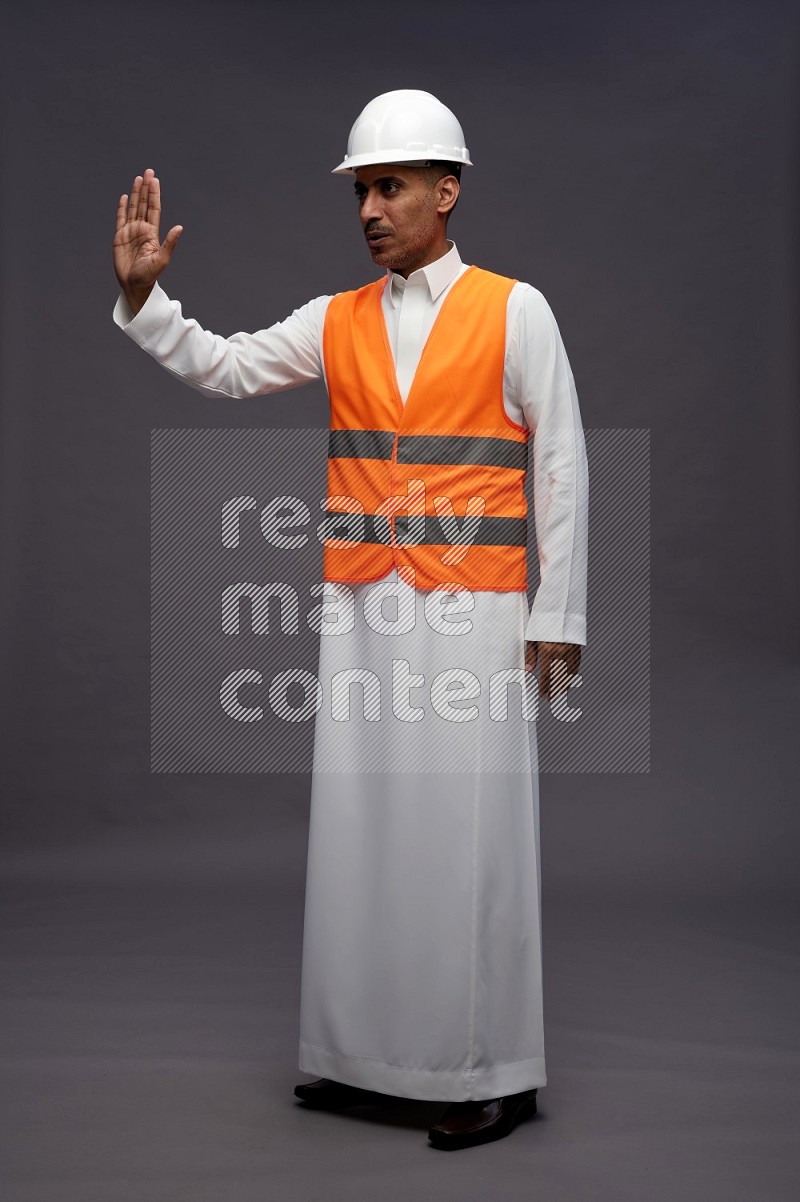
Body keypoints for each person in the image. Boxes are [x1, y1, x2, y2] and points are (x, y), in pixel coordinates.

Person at [112, 89, 588, 1151]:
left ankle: (484, 1070)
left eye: (389, 186)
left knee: (468, 839)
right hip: (362, 603)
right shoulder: (336, 319)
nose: (369, 207)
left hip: (474, 611)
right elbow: (229, 367)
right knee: (364, 830)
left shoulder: (515, 311)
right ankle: (359, 1057)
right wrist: (148, 304)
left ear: (444, 189)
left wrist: (558, 612)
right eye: (361, 190)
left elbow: (558, 462)